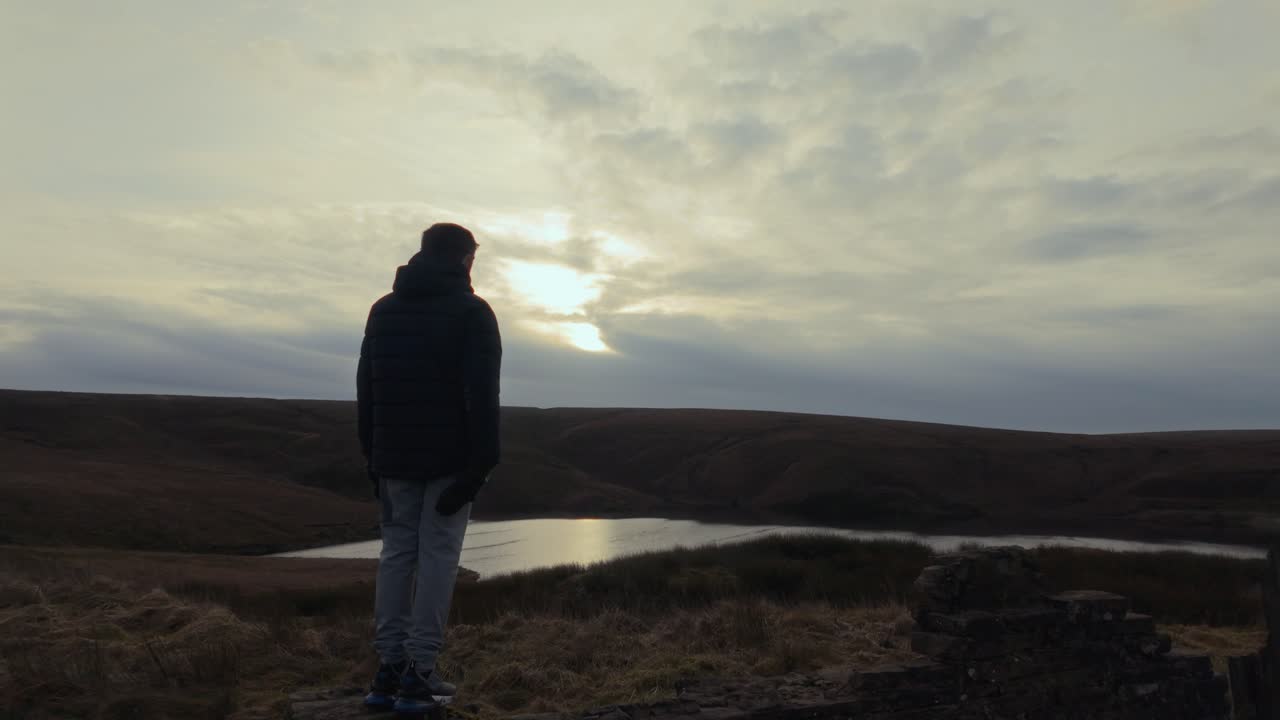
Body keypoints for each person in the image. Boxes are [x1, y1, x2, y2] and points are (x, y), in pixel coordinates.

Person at [356, 222, 502, 713]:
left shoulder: (383, 310)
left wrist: (371, 456)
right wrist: (481, 465)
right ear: (466, 259)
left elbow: (367, 390)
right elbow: (482, 397)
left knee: (397, 555)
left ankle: (388, 669)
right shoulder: (473, 312)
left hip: (392, 456)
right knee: (438, 556)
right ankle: (419, 674)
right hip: (448, 460)